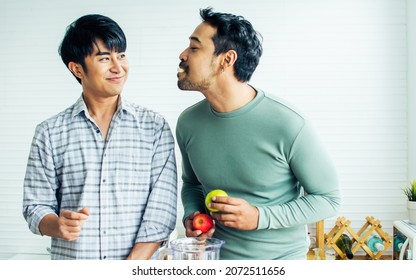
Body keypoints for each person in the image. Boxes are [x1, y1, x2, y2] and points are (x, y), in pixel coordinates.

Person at [176, 7, 341, 260]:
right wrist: (193, 213)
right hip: (218, 261)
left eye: (194, 48)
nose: (183, 55)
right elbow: (192, 184)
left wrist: (259, 217)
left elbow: (328, 199)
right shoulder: (188, 123)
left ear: (226, 60)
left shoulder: (288, 123)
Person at [22, 14, 177, 260]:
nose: (118, 67)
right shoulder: (50, 132)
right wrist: (56, 225)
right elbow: (35, 206)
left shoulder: (154, 127)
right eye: (104, 58)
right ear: (77, 69)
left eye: (121, 55)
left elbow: (161, 213)